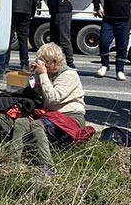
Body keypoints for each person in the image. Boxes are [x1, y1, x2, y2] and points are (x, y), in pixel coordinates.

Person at [9, 43, 85, 175]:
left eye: (45, 63)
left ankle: (47, 166)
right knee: (21, 123)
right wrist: (35, 74)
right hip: (51, 116)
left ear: (55, 62)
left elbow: (53, 98)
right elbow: (32, 91)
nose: (43, 66)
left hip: (71, 117)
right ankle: (13, 162)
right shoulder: (48, 73)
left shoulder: (70, 75)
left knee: (38, 125)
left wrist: (43, 74)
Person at [43, 0, 81, 68]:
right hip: (54, 12)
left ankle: (70, 63)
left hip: (63, 11)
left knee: (64, 38)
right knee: (54, 40)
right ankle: (56, 62)